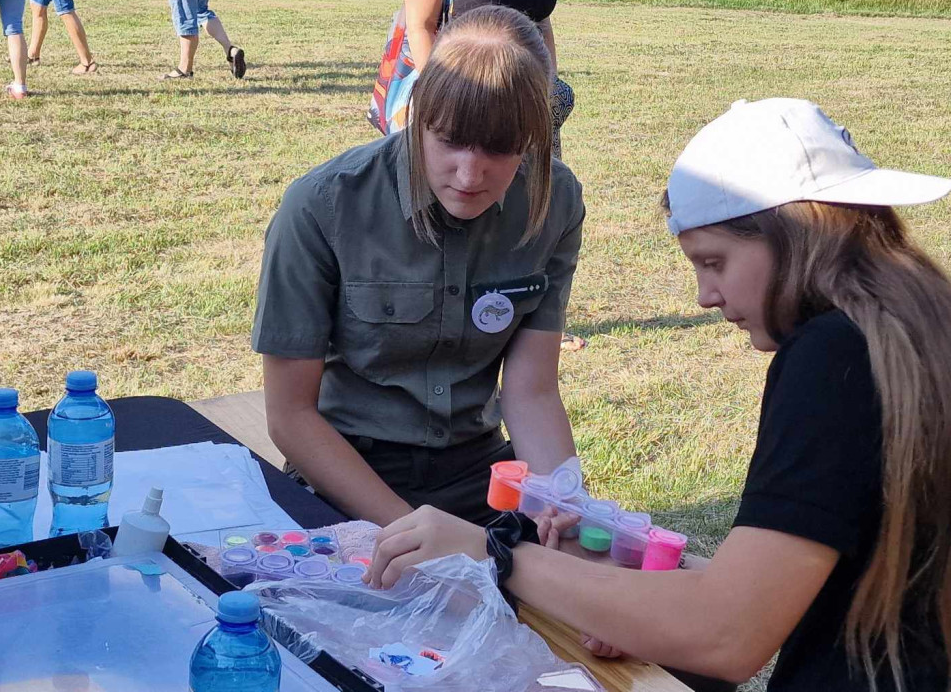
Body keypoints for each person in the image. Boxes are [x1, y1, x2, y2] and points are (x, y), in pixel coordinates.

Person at [365, 98, 951, 691]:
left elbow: (726, 634)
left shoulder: (834, 358)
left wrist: (493, 554)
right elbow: (786, 582)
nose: (705, 296)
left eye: (714, 261)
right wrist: (620, 581)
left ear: (794, 232)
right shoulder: (917, 325)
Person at [252, 6, 584, 528]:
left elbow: (532, 389)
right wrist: (413, 531)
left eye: (502, 149)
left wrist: (562, 500)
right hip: (348, 473)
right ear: (418, 113)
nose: (470, 174)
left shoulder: (554, 201)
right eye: (450, 140)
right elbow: (291, 416)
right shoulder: (322, 206)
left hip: (478, 470)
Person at [404, 0, 584, 351]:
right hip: (466, 112)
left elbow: (542, 22)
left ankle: (540, 321)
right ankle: (450, 315)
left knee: (536, 211)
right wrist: (444, 105)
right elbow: (421, 25)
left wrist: (545, 92)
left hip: (529, 113)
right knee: (456, 214)